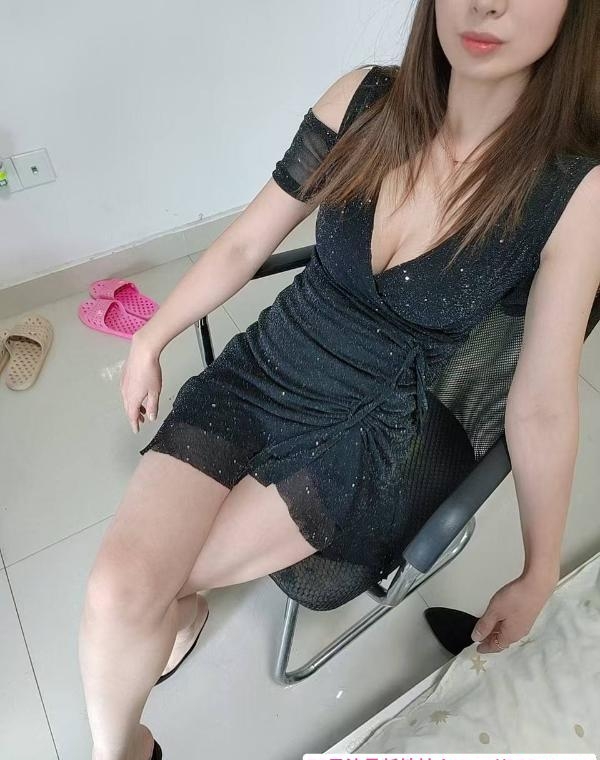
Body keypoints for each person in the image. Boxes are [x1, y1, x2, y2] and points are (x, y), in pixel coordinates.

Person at [78, 1, 600, 758]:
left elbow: (544, 402)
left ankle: (161, 656)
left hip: (364, 432)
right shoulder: (363, 100)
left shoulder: (574, 191)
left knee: (146, 592)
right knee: (118, 592)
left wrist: (539, 570)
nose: (488, 4)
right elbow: (245, 242)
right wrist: (149, 338)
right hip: (265, 365)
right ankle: (126, 747)